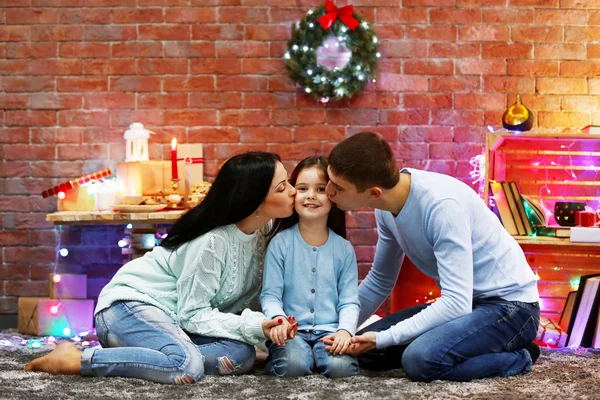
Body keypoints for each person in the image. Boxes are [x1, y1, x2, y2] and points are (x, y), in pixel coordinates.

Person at [25, 152, 299, 384]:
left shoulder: (264, 231)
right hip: (129, 306)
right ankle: (78, 359)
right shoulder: (212, 242)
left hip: (175, 317)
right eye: (282, 186)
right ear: (255, 202)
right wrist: (255, 324)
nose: (293, 191)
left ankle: (153, 355)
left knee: (241, 355)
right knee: (185, 366)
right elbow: (194, 315)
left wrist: (270, 325)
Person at [322, 132, 541, 382]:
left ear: (373, 192)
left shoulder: (442, 207)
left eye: (337, 187)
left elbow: (455, 302)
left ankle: (520, 356)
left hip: (512, 308)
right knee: (364, 353)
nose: (328, 191)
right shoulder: (385, 206)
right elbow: (380, 281)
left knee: (421, 360)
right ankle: (476, 346)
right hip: (468, 306)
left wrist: (383, 338)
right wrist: (340, 329)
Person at [260, 156, 360, 378]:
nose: (311, 196)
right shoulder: (281, 243)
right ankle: (288, 355)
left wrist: (345, 331)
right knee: (293, 366)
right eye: (303, 188)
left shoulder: (343, 249)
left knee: (342, 369)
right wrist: (279, 319)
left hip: (330, 331)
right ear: (294, 194)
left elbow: (349, 300)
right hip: (292, 333)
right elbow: (270, 295)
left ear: (333, 197)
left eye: (321, 189)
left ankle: (318, 354)